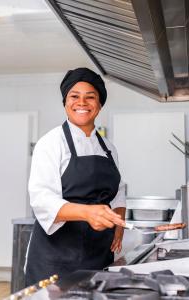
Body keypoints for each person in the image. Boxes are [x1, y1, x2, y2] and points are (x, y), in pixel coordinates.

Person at [25, 67, 126, 286]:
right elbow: (42, 200)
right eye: (74, 96)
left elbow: (118, 193)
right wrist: (87, 213)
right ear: (65, 102)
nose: (82, 103)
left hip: (99, 255)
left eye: (90, 97)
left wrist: (118, 229)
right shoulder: (50, 143)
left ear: (99, 105)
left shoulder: (108, 148)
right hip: (56, 259)